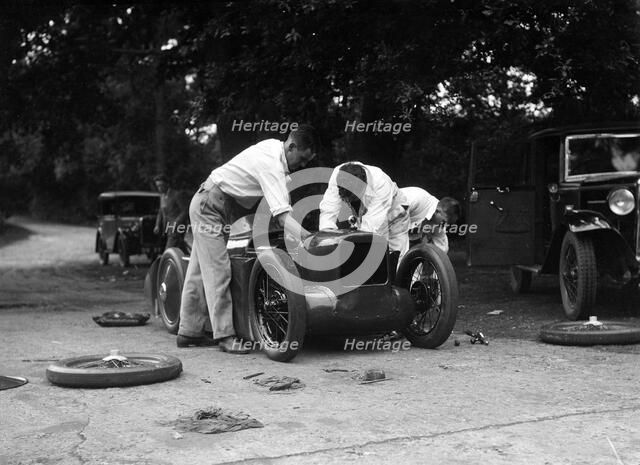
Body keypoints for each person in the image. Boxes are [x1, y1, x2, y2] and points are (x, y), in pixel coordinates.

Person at [177, 125, 317, 352]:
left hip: (214, 203)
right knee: (218, 270)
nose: (301, 166)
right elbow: (282, 217)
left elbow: (279, 205)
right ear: (291, 146)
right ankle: (225, 336)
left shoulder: (274, 151)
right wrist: (309, 237)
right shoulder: (271, 163)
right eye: (301, 160)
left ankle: (189, 332)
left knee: (200, 270)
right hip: (211, 205)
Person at [319, 162, 410, 257]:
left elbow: (371, 228)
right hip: (367, 210)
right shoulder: (338, 175)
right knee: (366, 252)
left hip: (395, 212)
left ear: (362, 186)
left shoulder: (381, 183)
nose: (347, 201)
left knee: (395, 255)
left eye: (351, 198)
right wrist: (327, 236)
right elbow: (329, 207)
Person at [401, 187, 460, 254]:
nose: (444, 226)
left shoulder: (438, 223)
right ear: (438, 211)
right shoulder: (416, 198)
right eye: (444, 222)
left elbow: (442, 249)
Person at [153, 174, 190, 251]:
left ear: (167, 184)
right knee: (179, 248)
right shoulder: (162, 196)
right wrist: (157, 225)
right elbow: (160, 212)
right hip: (166, 228)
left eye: (161, 185)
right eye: (158, 186)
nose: (159, 188)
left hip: (177, 228)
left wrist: (176, 223)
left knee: (169, 250)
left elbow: (185, 211)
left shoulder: (176, 195)